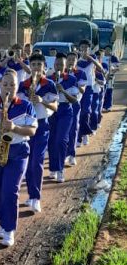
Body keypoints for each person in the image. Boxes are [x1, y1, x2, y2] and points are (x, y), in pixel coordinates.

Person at [0, 69, 37, 246]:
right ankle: (2, 224)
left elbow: (32, 130)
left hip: (18, 152)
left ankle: (9, 230)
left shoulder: (25, 105)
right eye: (5, 84)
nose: (8, 88)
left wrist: (14, 128)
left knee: (9, 191)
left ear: (18, 86)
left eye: (12, 85)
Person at [18, 53, 58, 213]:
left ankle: (36, 197)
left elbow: (55, 107)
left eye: (38, 65)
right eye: (33, 64)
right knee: (28, 162)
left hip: (41, 125)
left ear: (44, 67)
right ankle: (31, 194)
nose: (35, 68)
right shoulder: (23, 84)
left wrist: (42, 101)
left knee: (37, 162)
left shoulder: (49, 84)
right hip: (26, 126)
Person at [47, 54, 80, 182]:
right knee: (52, 140)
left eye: (61, 64)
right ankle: (53, 168)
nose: (58, 66)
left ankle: (60, 169)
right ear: (54, 64)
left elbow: (74, 100)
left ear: (65, 66)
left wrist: (63, 91)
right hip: (51, 111)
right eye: (57, 64)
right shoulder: (49, 79)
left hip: (65, 111)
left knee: (61, 140)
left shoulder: (71, 79)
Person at [76, 40, 104, 145]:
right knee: (78, 112)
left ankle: (85, 134)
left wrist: (91, 58)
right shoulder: (76, 59)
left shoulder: (92, 59)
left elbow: (100, 68)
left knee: (86, 112)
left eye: (86, 47)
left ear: (89, 49)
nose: (84, 49)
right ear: (79, 48)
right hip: (78, 88)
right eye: (82, 47)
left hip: (88, 88)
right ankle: (79, 137)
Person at [65, 51, 86, 166]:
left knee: (73, 129)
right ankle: (63, 154)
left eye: (73, 59)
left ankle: (72, 154)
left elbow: (83, 90)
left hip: (74, 104)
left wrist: (74, 80)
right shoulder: (61, 73)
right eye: (69, 59)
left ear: (76, 61)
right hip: (62, 105)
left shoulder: (81, 73)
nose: (71, 61)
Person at [102, 45, 120, 111]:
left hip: (110, 77)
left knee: (109, 91)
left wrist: (112, 70)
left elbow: (117, 68)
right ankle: (103, 106)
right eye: (106, 49)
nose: (107, 51)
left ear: (111, 50)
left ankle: (108, 106)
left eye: (109, 49)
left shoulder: (113, 58)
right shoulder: (102, 57)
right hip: (102, 77)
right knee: (103, 91)